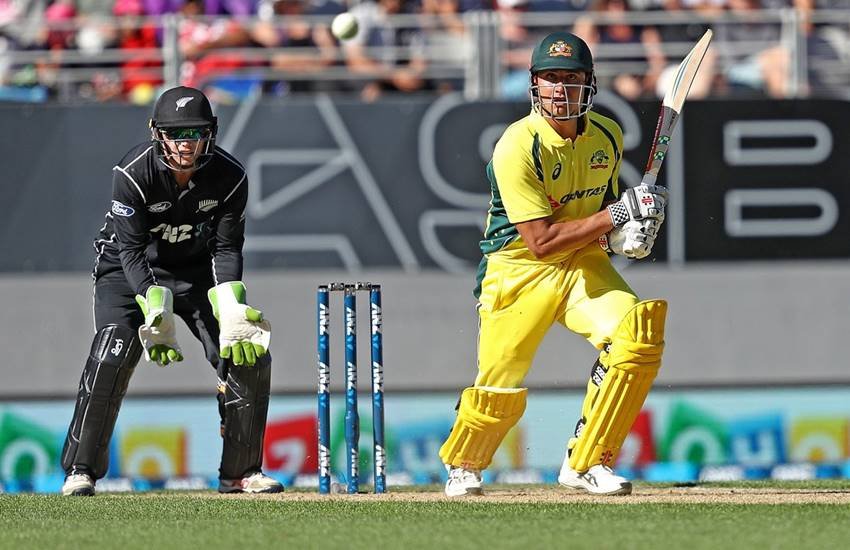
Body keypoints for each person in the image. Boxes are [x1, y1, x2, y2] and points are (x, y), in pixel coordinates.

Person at [438, 32, 668, 497]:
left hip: (579, 261)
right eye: (550, 79)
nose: (560, 89)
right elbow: (541, 241)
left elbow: (593, 220)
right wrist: (621, 213)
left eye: (571, 78)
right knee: (500, 380)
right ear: (534, 85)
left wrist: (625, 240)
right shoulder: (517, 145)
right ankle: (464, 465)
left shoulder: (608, 134)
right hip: (517, 268)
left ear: (589, 84)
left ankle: (587, 462)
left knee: (637, 333)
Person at [60, 86, 282, 496]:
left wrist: (231, 305)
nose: (185, 144)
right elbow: (129, 248)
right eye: (175, 134)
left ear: (210, 133)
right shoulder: (133, 174)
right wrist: (151, 300)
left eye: (194, 133)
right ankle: (81, 470)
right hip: (126, 271)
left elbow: (226, 247)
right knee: (114, 348)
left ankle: (240, 472)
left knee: (246, 351)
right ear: (157, 133)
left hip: (196, 270)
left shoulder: (230, 177)